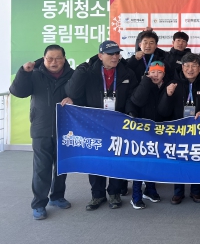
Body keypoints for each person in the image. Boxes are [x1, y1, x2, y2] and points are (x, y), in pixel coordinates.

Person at [65, 40, 138, 211]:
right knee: (96, 159)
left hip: (118, 123)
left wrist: (129, 113)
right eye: (110, 54)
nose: (115, 57)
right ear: (100, 56)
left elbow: (132, 96)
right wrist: (81, 70)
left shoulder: (127, 72)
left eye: (117, 53)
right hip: (94, 123)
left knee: (116, 158)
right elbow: (73, 92)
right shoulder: (88, 72)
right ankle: (97, 195)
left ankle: (114, 193)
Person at [9, 45, 74, 220]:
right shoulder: (34, 74)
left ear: (64, 59)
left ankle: (57, 196)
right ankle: (38, 203)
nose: (54, 62)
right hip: (41, 128)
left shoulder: (72, 75)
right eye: (50, 58)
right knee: (41, 168)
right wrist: (24, 72)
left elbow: (81, 94)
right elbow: (18, 92)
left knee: (61, 167)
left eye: (58, 58)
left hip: (65, 129)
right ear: (44, 59)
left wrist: (73, 98)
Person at [158, 53, 200, 204]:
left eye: (194, 66)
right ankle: (178, 192)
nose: (190, 69)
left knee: (196, 159)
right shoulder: (173, 83)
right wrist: (168, 95)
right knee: (179, 161)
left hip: (197, 129)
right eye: (187, 65)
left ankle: (196, 191)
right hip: (178, 130)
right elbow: (163, 111)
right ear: (182, 67)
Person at [126, 61, 168, 209]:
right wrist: (145, 82)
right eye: (153, 72)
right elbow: (134, 101)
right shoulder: (142, 84)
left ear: (164, 74)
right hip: (142, 131)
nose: (156, 75)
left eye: (159, 72)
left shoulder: (166, 86)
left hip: (158, 130)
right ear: (148, 73)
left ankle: (150, 190)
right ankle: (135, 196)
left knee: (153, 162)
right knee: (141, 163)